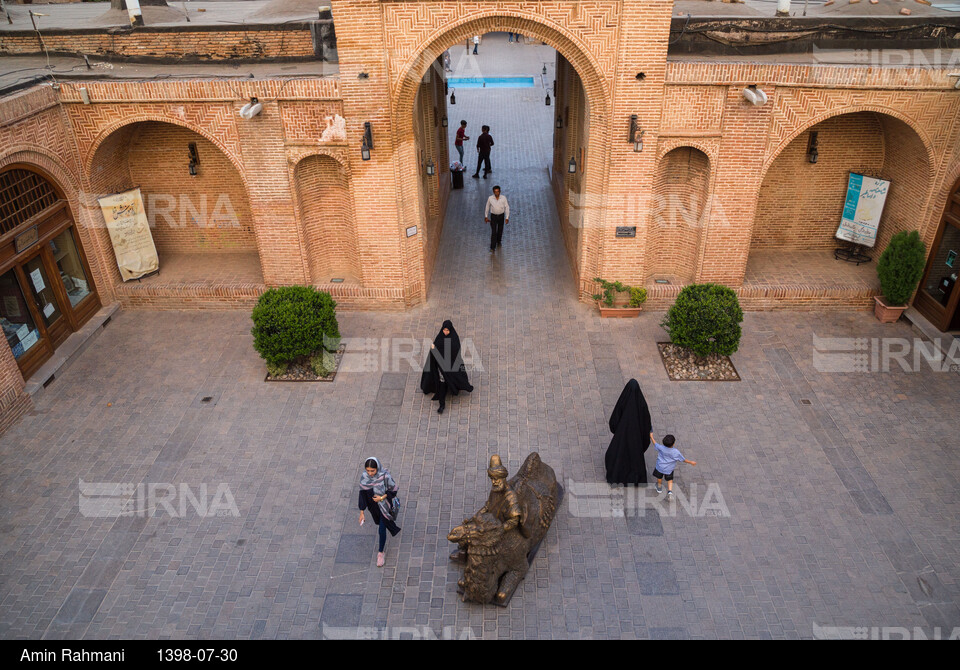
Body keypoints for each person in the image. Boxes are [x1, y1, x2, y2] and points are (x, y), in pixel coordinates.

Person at [450, 455, 523, 562]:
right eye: (492, 479)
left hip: (501, 527)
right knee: (468, 529)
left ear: (503, 478)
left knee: (482, 538)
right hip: (489, 522)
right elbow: (488, 507)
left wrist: (499, 529)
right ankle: (464, 551)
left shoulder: (511, 497)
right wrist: (475, 517)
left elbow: (514, 521)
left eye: (496, 479)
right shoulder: (496, 490)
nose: (494, 482)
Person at [604, 379, 652, 486]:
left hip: (622, 434)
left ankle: (618, 476)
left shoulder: (623, 401)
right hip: (636, 438)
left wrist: (618, 430)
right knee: (634, 457)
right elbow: (646, 422)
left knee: (619, 454)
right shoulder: (642, 405)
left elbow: (614, 420)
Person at [419, 320, 474, 413]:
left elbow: (451, 355)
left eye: (447, 330)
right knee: (442, 384)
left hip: (450, 367)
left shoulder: (454, 340)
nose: (445, 332)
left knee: (451, 381)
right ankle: (442, 405)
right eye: (444, 330)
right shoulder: (440, 337)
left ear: (450, 330)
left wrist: (435, 350)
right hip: (441, 368)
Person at [358, 457, 401, 567]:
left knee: (382, 528)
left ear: (377, 468)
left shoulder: (385, 476)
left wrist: (382, 498)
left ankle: (380, 552)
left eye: (373, 470)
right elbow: (362, 494)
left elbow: (393, 490)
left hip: (384, 506)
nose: (370, 473)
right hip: (374, 507)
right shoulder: (364, 478)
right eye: (368, 470)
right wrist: (362, 512)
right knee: (380, 524)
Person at [650, 433, 697, 497]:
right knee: (670, 479)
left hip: (660, 467)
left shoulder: (661, 448)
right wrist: (691, 462)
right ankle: (669, 491)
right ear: (673, 443)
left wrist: (651, 436)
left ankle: (659, 487)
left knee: (659, 477)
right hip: (669, 469)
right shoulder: (676, 452)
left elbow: (655, 443)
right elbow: (683, 459)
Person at [484, 185, 510, 252]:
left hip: (501, 216)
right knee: (494, 232)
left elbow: (507, 207)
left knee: (500, 229)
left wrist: (507, 217)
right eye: (495, 192)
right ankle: (492, 247)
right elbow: (487, 207)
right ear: (493, 192)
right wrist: (486, 216)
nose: (496, 193)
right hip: (493, 216)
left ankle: (499, 241)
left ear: (500, 191)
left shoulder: (503, 198)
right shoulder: (490, 198)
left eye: (498, 191)